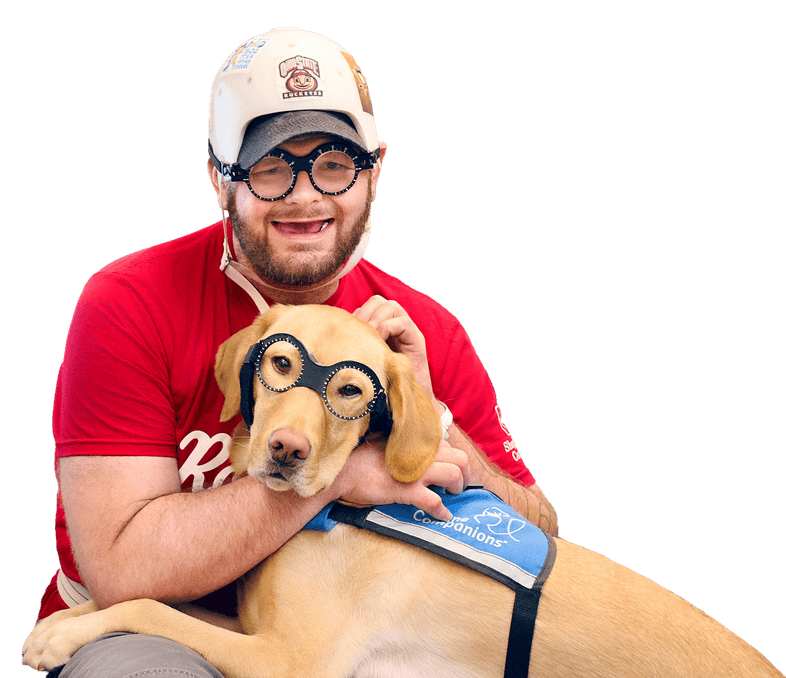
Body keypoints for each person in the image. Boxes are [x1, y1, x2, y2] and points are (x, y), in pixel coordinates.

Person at [33, 27, 558, 677]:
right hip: (154, 627)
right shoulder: (130, 302)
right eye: (270, 167)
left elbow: (539, 532)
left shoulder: (422, 333)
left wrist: (432, 419)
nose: (306, 195)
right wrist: (341, 474)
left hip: (351, 639)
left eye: (334, 163)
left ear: (374, 172)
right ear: (219, 177)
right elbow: (124, 572)